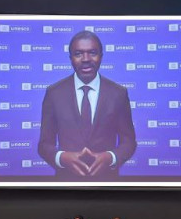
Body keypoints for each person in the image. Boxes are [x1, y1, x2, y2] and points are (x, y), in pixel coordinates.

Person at [37, 30, 136, 178]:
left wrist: (111, 157)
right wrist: (62, 158)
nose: (86, 59)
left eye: (92, 53)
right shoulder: (54, 93)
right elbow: (44, 145)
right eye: (78, 54)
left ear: (101, 56)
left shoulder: (118, 93)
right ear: (70, 58)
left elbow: (129, 142)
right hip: (66, 184)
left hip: (107, 183)